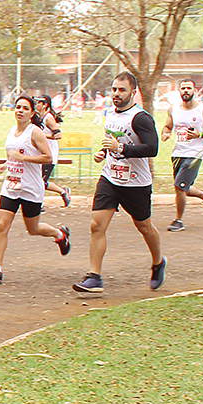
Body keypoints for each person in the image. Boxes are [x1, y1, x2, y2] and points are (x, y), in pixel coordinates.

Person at [73, 72, 166, 293]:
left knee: (143, 226)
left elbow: (152, 148)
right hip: (110, 177)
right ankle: (94, 277)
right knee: (96, 225)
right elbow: (113, 141)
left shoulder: (141, 118)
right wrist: (103, 153)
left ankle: (158, 262)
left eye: (121, 90)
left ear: (133, 92)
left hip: (136, 183)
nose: (116, 94)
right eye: (114, 89)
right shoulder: (110, 114)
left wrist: (121, 149)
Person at [0, 95, 71, 284]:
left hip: (30, 187)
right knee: (2, 225)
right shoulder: (12, 130)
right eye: (17, 107)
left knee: (33, 228)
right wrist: (7, 164)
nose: (20, 110)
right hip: (11, 186)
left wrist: (24, 159)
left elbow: (47, 157)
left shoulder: (35, 132)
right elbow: (14, 153)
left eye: (24, 108)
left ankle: (59, 234)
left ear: (31, 113)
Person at [161, 78, 203, 232]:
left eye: (189, 88)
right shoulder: (173, 109)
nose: (186, 91)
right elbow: (168, 126)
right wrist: (165, 133)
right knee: (183, 187)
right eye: (183, 88)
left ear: (194, 91)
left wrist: (200, 134)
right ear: (179, 91)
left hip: (195, 154)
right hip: (178, 153)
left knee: (179, 187)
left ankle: (178, 220)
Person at [34, 95, 71, 208]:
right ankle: (63, 192)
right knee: (39, 181)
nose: (36, 104)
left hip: (49, 155)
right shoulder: (39, 117)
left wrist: (43, 136)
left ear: (44, 105)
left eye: (38, 102)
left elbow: (58, 135)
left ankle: (39, 205)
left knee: (40, 182)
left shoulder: (48, 118)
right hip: (41, 153)